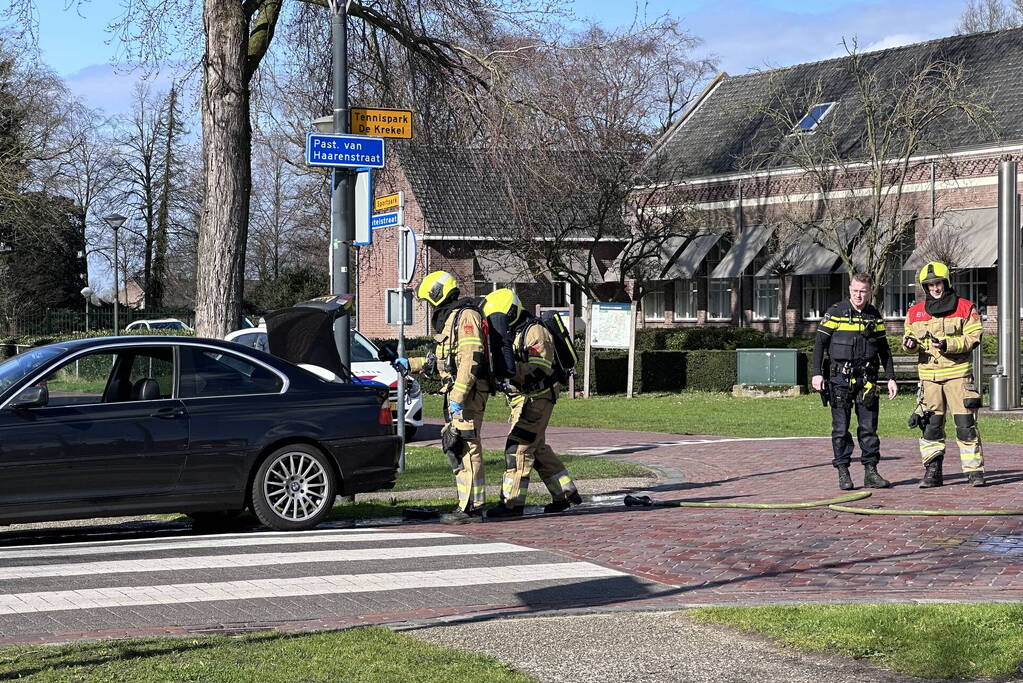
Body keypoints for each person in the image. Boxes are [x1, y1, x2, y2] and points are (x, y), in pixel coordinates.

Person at [480, 288, 582, 518]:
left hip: (537, 398)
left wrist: (510, 370)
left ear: (513, 311)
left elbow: (539, 368)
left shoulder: (535, 331)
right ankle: (565, 493)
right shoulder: (512, 332)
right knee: (537, 448)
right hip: (523, 399)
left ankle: (512, 503)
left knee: (518, 449)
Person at [397, 271, 489, 522]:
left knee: (466, 446)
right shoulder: (452, 318)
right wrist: (411, 363)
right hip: (455, 392)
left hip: (467, 394)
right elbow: (441, 360)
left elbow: (471, 358)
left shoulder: (466, 315)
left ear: (439, 292)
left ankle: (472, 507)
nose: (429, 306)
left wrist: (459, 395)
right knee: (455, 445)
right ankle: (468, 504)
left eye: (429, 299)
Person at [811, 273, 899, 491]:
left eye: (863, 291)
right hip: (839, 380)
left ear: (870, 292)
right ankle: (843, 472)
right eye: (855, 290)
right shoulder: (835, 313)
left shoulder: (874, 315)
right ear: (849, 289)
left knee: (869, 429)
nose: (858, 295)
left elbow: (884, 350)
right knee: (841, 429)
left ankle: (871, 472)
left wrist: (890, 378)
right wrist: (816, 373)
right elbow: (819, 344)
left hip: (867, 381)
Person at [903, 261, 985, 488]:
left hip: (959, 378)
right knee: (931, 425)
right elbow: (909, 340)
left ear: (946, 283)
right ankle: (932, 471)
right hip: (930, 379)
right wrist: (909, 344)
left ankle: (974, 471)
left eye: (938, 283)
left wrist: (949, 344)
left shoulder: (966, 308)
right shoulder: (914, 312)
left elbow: (974, 338)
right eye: (929, 285)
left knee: (965, 424)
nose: (935, 289)